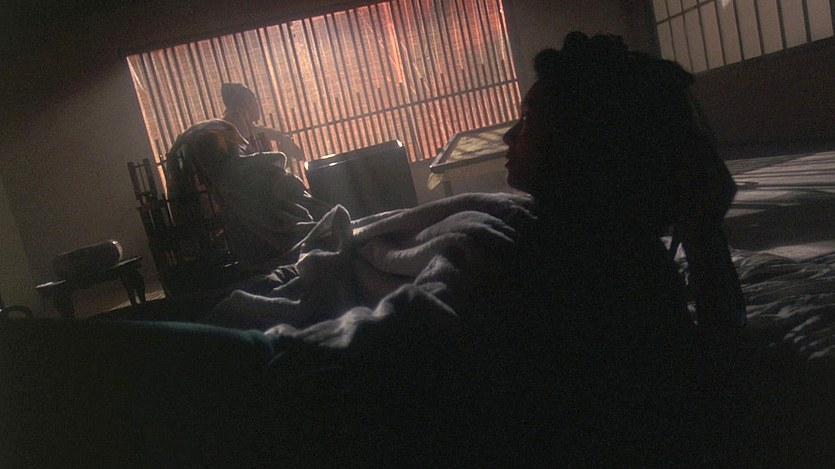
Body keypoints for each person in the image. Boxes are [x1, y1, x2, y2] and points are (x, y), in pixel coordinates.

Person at [495, 32, 749, 465]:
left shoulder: (591, 266)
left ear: (580, 140)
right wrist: (702, 232)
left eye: (529, 119)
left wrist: (702, 234)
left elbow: (710, 388)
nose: (509, 135)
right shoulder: (620, 245)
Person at [220, 82, 304, 162]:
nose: (257, 105)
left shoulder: (246, 127)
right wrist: (285, 152)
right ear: (240, 109)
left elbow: (260, 130)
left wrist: (280, 137)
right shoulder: (233, 134)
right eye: (252, 102)